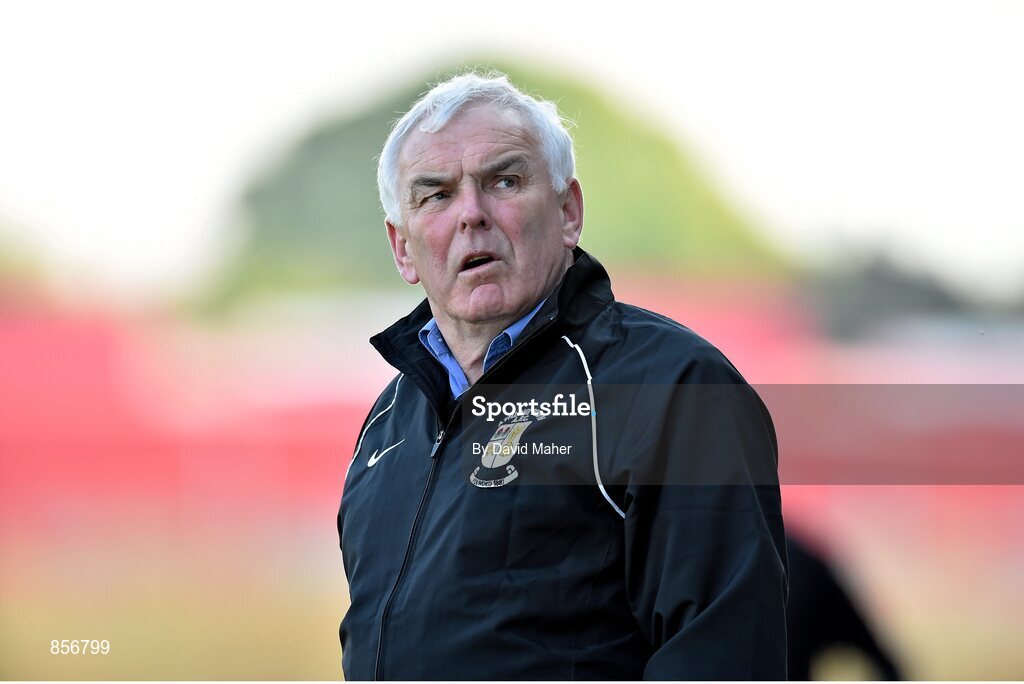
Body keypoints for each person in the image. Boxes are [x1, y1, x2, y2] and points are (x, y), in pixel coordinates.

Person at [338, 71, 788, 680]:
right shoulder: (387, 424)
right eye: (436, 195)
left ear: (569, 211)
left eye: (505, 181)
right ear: (401, 247)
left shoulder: (670, 387)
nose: (471, 213)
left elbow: (726, 656)